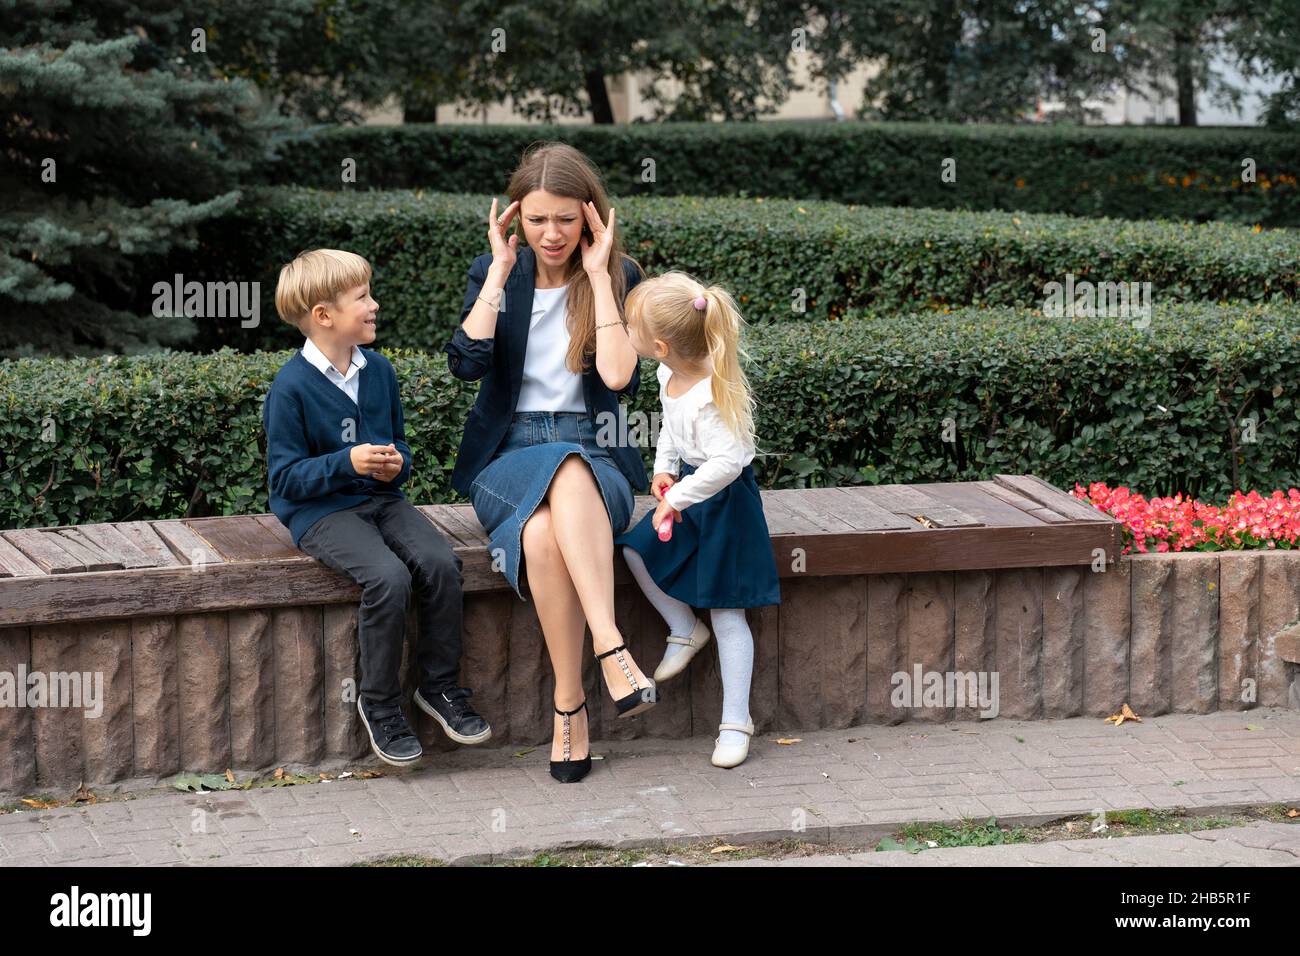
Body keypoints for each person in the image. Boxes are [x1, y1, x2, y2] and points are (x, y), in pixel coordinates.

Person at [442, 143, 655, 783]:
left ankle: (569, 706)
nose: (551, 234)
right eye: (537, 219)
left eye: (565, 218)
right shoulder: (494, 271)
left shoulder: (620, 276)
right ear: (516, 220)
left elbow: (619, 381)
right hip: (507, 461)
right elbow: (465, 365)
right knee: (554, 475)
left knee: (542, 534)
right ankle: (611, 646)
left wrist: (598, 275)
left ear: (591, 217)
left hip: (598, 458)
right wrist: (502, 274)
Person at [264, 248, 491, 767]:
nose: (374, 305)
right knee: (387, 577)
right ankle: (381, 704)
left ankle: (438, 688)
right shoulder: (291, 387)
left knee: (440, 563)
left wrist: (394, 465)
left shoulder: (379, 371)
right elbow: (285, 481)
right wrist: (348, 462)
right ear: (324, 316)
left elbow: (400, 449)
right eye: (362, 297)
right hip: (322, 514)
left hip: (382, 502)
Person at [615, 271, 781, 768]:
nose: (624, 330)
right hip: (690, 490)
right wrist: (665, 468)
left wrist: (677, 498)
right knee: (634, 549)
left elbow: (728, 464)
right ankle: (683, 628)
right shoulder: (670, 375)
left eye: (629, 325)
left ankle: (735, 720)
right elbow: (670, 426)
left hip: (725, 505)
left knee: (728, 612)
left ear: (660, 345)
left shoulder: (712, 390)